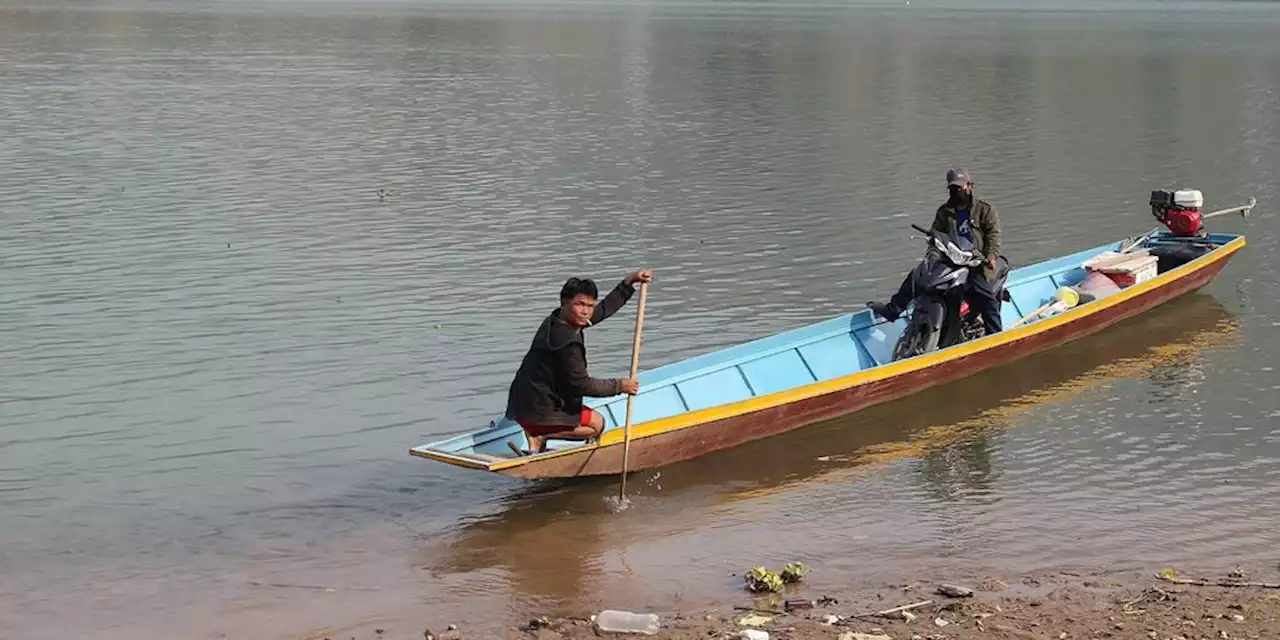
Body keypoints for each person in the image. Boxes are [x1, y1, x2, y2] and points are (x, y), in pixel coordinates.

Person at [504, 268, 653, 455]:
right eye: (580, 305)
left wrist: (628, 284)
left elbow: (601, 311)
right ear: (565, 303)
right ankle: (540, 435)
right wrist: (620, 386)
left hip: (522, 402)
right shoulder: (567, 344)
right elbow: (582, 385)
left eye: (589, 306)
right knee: (597, 424)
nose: (586, 312)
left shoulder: (556, 319)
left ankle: (539, 433)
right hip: (537, 409)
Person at [867, 168, 1006, 336]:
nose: (957, 191)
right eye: (953, 188)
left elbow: (993, 236)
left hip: (976, 264)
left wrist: (990, 256)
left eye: (960, 188)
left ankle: (996, 337)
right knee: (917, 276)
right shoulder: (944, 212)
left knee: (987, 298)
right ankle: (892, 310)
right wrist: (932, 256)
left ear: (969, 186)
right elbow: (936, 238)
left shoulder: (985, 210)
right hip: (950, 260)